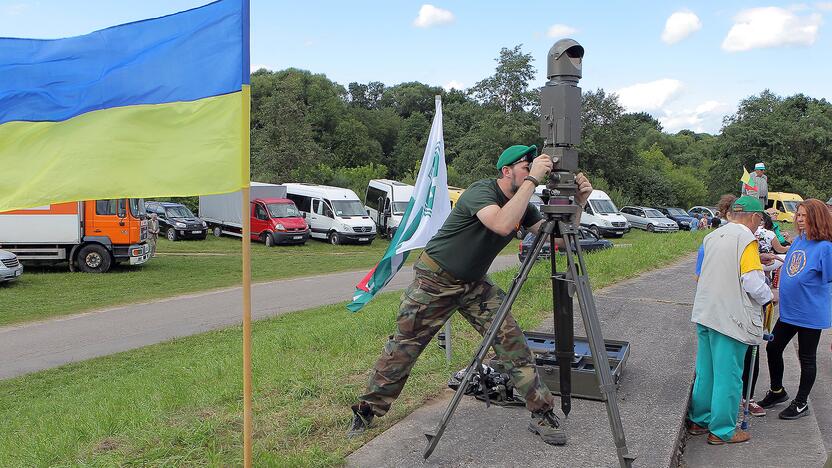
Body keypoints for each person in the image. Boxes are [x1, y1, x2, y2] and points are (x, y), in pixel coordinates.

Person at [349, 144, 593, 446]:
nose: (532, 170)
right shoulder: (481, 191)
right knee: (404, 348)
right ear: (507, 171)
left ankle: (542, 413)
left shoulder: (523, 203)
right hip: (434, 280)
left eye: (533, 166)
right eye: (526, 167)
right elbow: (501, 223)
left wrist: (579, 203)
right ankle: (366, 410)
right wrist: (532, 183)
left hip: (475, 284)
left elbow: (558, 236)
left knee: (513, 342)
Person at [687, 196, 773, 445]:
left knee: (706, 371)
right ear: (755, 217)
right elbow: (752, 282)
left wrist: (758, 264)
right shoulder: (747, 239)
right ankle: (722, 430)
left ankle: (698, 420)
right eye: (760, 220)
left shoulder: (713, 236)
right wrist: (770, 295)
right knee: (729, 375)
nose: (759, 226)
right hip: (730, 317)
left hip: (706, 311)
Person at [757, 199, 832, 419]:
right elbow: (793, 265)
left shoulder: (826, 248)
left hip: (810, 313)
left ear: (816, 218)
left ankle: (801, 403)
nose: (799, 220)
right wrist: (776, 258)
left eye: (804, 216)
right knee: (772, 348)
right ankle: (777, 391)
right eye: (798, 215)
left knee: (807, 358)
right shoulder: (799, 240)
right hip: (790, 311)